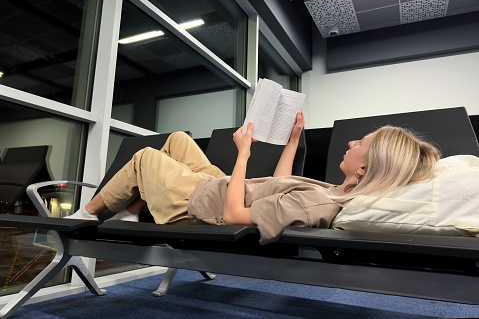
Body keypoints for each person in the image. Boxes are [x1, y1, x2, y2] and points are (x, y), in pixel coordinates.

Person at [66, 111, 441, 244]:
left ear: (363, 169)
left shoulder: (320, 205)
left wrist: (244, 153)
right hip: (224, 186)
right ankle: (132, 209)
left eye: (362, 143)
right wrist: (293, 139)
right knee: (178, 140)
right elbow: (280, 184)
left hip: (205, 202)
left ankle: (85, 216)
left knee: (144, 158)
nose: (352, 141)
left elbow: (232, 217)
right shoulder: (336, 191)